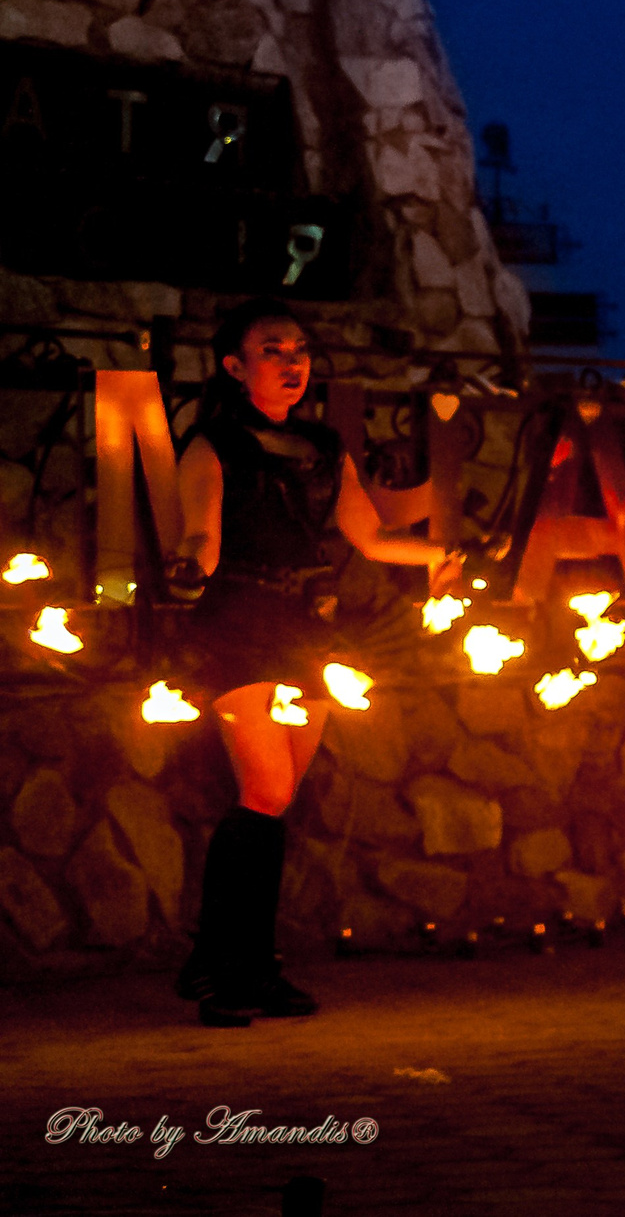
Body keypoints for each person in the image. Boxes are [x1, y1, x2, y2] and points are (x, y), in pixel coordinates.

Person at [169, 300, 457, 1026]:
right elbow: (202, 535)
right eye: (272, 349)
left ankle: (239, 964)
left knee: (274, 802)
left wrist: (443, 554)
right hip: (240, 627)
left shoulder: (325, 444)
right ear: (234, 366)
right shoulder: (212, 444)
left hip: (309, 632)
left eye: (299, 348)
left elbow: (370, 535)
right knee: (264, 789)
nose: (292, 361)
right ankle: (226, 970)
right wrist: (189, 569)